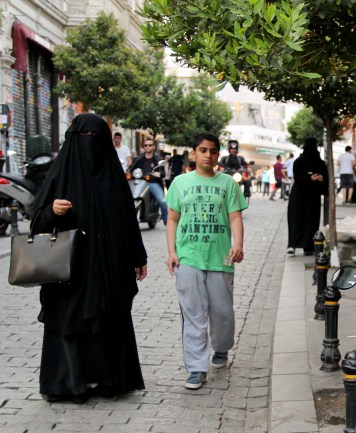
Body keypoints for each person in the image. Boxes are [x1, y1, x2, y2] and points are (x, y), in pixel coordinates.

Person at [32, 113, 148, 403]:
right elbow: (36, 221)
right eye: (83, 138)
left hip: (110, 265)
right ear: (73, 140)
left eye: (95, 138)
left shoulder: (115, 178)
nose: (89, 144)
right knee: (70, 320)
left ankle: (108, 380)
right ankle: (70, 383)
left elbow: (128, 221)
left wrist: (138, 256)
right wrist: (52, 212)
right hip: (71, 268)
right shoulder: (61, 174)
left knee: (109, 318)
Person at [165, 132, 247, 390]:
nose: (208, 155)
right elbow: (172, 219)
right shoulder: (179, 182)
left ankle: (221, 348)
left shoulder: (228, 184)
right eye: (203, 150)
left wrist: (238, 244)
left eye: (213, 151)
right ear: (194, 153)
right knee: (194, 314)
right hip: (188, 256)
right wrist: (172, 251)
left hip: (220, 256)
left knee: (222, 312)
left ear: (218, 154)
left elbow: (235, 217)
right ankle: (197, 368)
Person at [286, 138, 327, 256]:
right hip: (300, 196)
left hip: (311, 197)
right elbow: (297, 178)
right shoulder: (299, 162)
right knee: (297, 219)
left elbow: (326, 180)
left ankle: (308, 246)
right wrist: (310, 178)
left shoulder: (320, 163)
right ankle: (293, 245)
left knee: (311, 221)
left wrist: (321, 179)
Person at [128, 138, 168, 224]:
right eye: (146, 145)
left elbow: (162, 172)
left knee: (162, 200)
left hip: (151, 182)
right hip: (139, 182)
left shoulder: (157, 159)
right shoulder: (138, 158)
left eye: (150, 145)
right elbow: (131, 169)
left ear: (153, 147)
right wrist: (129, 173)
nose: (148, 147)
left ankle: (166, 218)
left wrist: (158, 174)